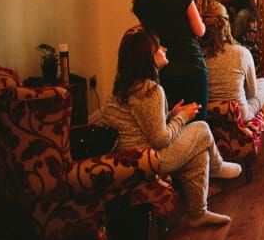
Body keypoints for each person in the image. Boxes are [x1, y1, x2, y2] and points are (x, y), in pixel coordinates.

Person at [100, 26, 242, 227]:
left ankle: (198, 213)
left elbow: (144, 125)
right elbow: (160, 140)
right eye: (158, 48)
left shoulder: (127, 86)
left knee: (198, 153)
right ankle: (217, 167)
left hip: (130, 157)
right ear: (147, 58)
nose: (164, 49)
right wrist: (183, 117)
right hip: (147, 160)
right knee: (201, 128)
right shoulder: (150, 91)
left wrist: (169, 115)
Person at [130, 0, 209, 122]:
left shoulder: (140, 2)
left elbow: (149, 38)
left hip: (163, 68)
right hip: (191, 64)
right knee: (198, 122)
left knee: (171, 120)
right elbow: (199, 30)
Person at [199, 1, 264, 121]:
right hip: (238, 115)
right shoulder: (242, 53)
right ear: (226, 24)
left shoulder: (198, 54)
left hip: (207, 112)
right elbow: (251, 93)